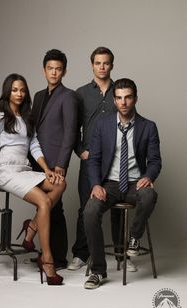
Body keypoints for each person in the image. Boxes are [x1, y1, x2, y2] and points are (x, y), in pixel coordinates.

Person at [0, 73, 66, 285]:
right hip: (4, 171)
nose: (19, 94)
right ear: (7, 92)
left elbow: (34, 146)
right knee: (44, 201)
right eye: (14, 90)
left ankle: (31, 228)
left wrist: (46, 169)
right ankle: (47, 261)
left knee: (60, 183)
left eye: (22, 90)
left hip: (24, 169)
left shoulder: (28, 118)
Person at [83, 78, 162, 289]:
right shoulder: (102, 125)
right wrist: (96, 185)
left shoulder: (148, 127)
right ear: (114, 100)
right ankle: (98, 271)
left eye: (128, 97)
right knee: (90, 211)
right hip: (110, 184)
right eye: (119, 98)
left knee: (149, 195)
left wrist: (149, 177)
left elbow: (155, 161)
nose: (124, 102)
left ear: (135, 98)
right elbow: (94, 160)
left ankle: (134, 238)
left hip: (136, 183)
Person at [68, 47, 136, 272]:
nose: (102, 67)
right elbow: (72, 127)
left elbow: (129, 122)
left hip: (117, 161)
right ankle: (81, 254)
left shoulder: (120, 91)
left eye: (106, 63)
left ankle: (120, 255)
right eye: (98, 63)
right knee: (86, 207)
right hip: (92, 160)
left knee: (118, 208)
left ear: (112, 65)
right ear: (92, 65)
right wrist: (80, 150)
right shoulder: (81, 93)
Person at [29, 49, 78, 269]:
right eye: (50, 68)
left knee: (55, 209)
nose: (54, 72)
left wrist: (61, 165)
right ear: (44, 70)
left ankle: (57, 258)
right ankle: (44, 251)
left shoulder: (68, 96)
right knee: (45, 205)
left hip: (55, 161)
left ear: (64, 71)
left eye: (58, 69)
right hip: (36, 159)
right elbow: (32, 129)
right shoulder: (39, 96)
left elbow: (70, 132)